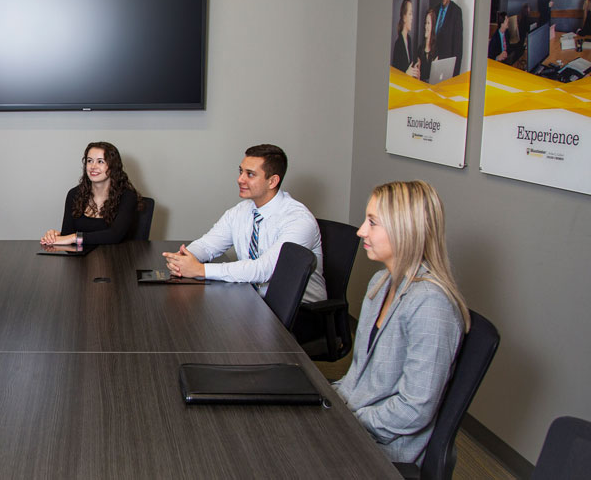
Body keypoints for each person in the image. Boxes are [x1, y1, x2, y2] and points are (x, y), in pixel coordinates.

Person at [334, 180, 469, 465]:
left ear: (404, 228)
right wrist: (328, 401)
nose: (361, 231)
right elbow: (358, 377)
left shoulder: (431, 304)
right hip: (355, 419)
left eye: (372, 222)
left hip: (387, 448)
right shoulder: (380, 283)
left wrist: (346, 419)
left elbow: (414, 408)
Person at [162, 144, 326, 313]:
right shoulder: (241, 211)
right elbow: (208, 244)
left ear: (272, 181)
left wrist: (200, 269)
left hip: (297, 311)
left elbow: (265, 270)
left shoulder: (298, 220)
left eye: (250, 174)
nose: (240, 179)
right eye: (240, 171)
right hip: (252, 300)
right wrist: (184, 258)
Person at [41, 141, 140, 247]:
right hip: (79, 260)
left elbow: (115, 235)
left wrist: (74, 237)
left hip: (116, 259)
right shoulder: (74, 194)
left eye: (100, 161)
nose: (93, 166)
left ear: (113, 166)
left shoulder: (127, 197)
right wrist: (55, 235)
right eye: (89, 161)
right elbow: (67, 234)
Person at [432, 0, 464, 76]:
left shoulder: (456, 12)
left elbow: (458, 51)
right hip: (431, 69)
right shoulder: (434, 11)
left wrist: (454, 79)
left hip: (447, 73)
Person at [391, 0, 420, 78]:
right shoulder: (398, 44)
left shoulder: (409, 40)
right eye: (410, 14)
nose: (412, 17)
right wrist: (406, 73)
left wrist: (415, 70)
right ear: (404, 17)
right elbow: (395, 76)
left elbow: (408, 68)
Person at [416, 8, 437, 82]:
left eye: (428, 23)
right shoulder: (420, 49)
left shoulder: (436, 49)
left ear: (433, 26)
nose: (426, 26)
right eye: (425, 23)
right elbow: (417, 77)